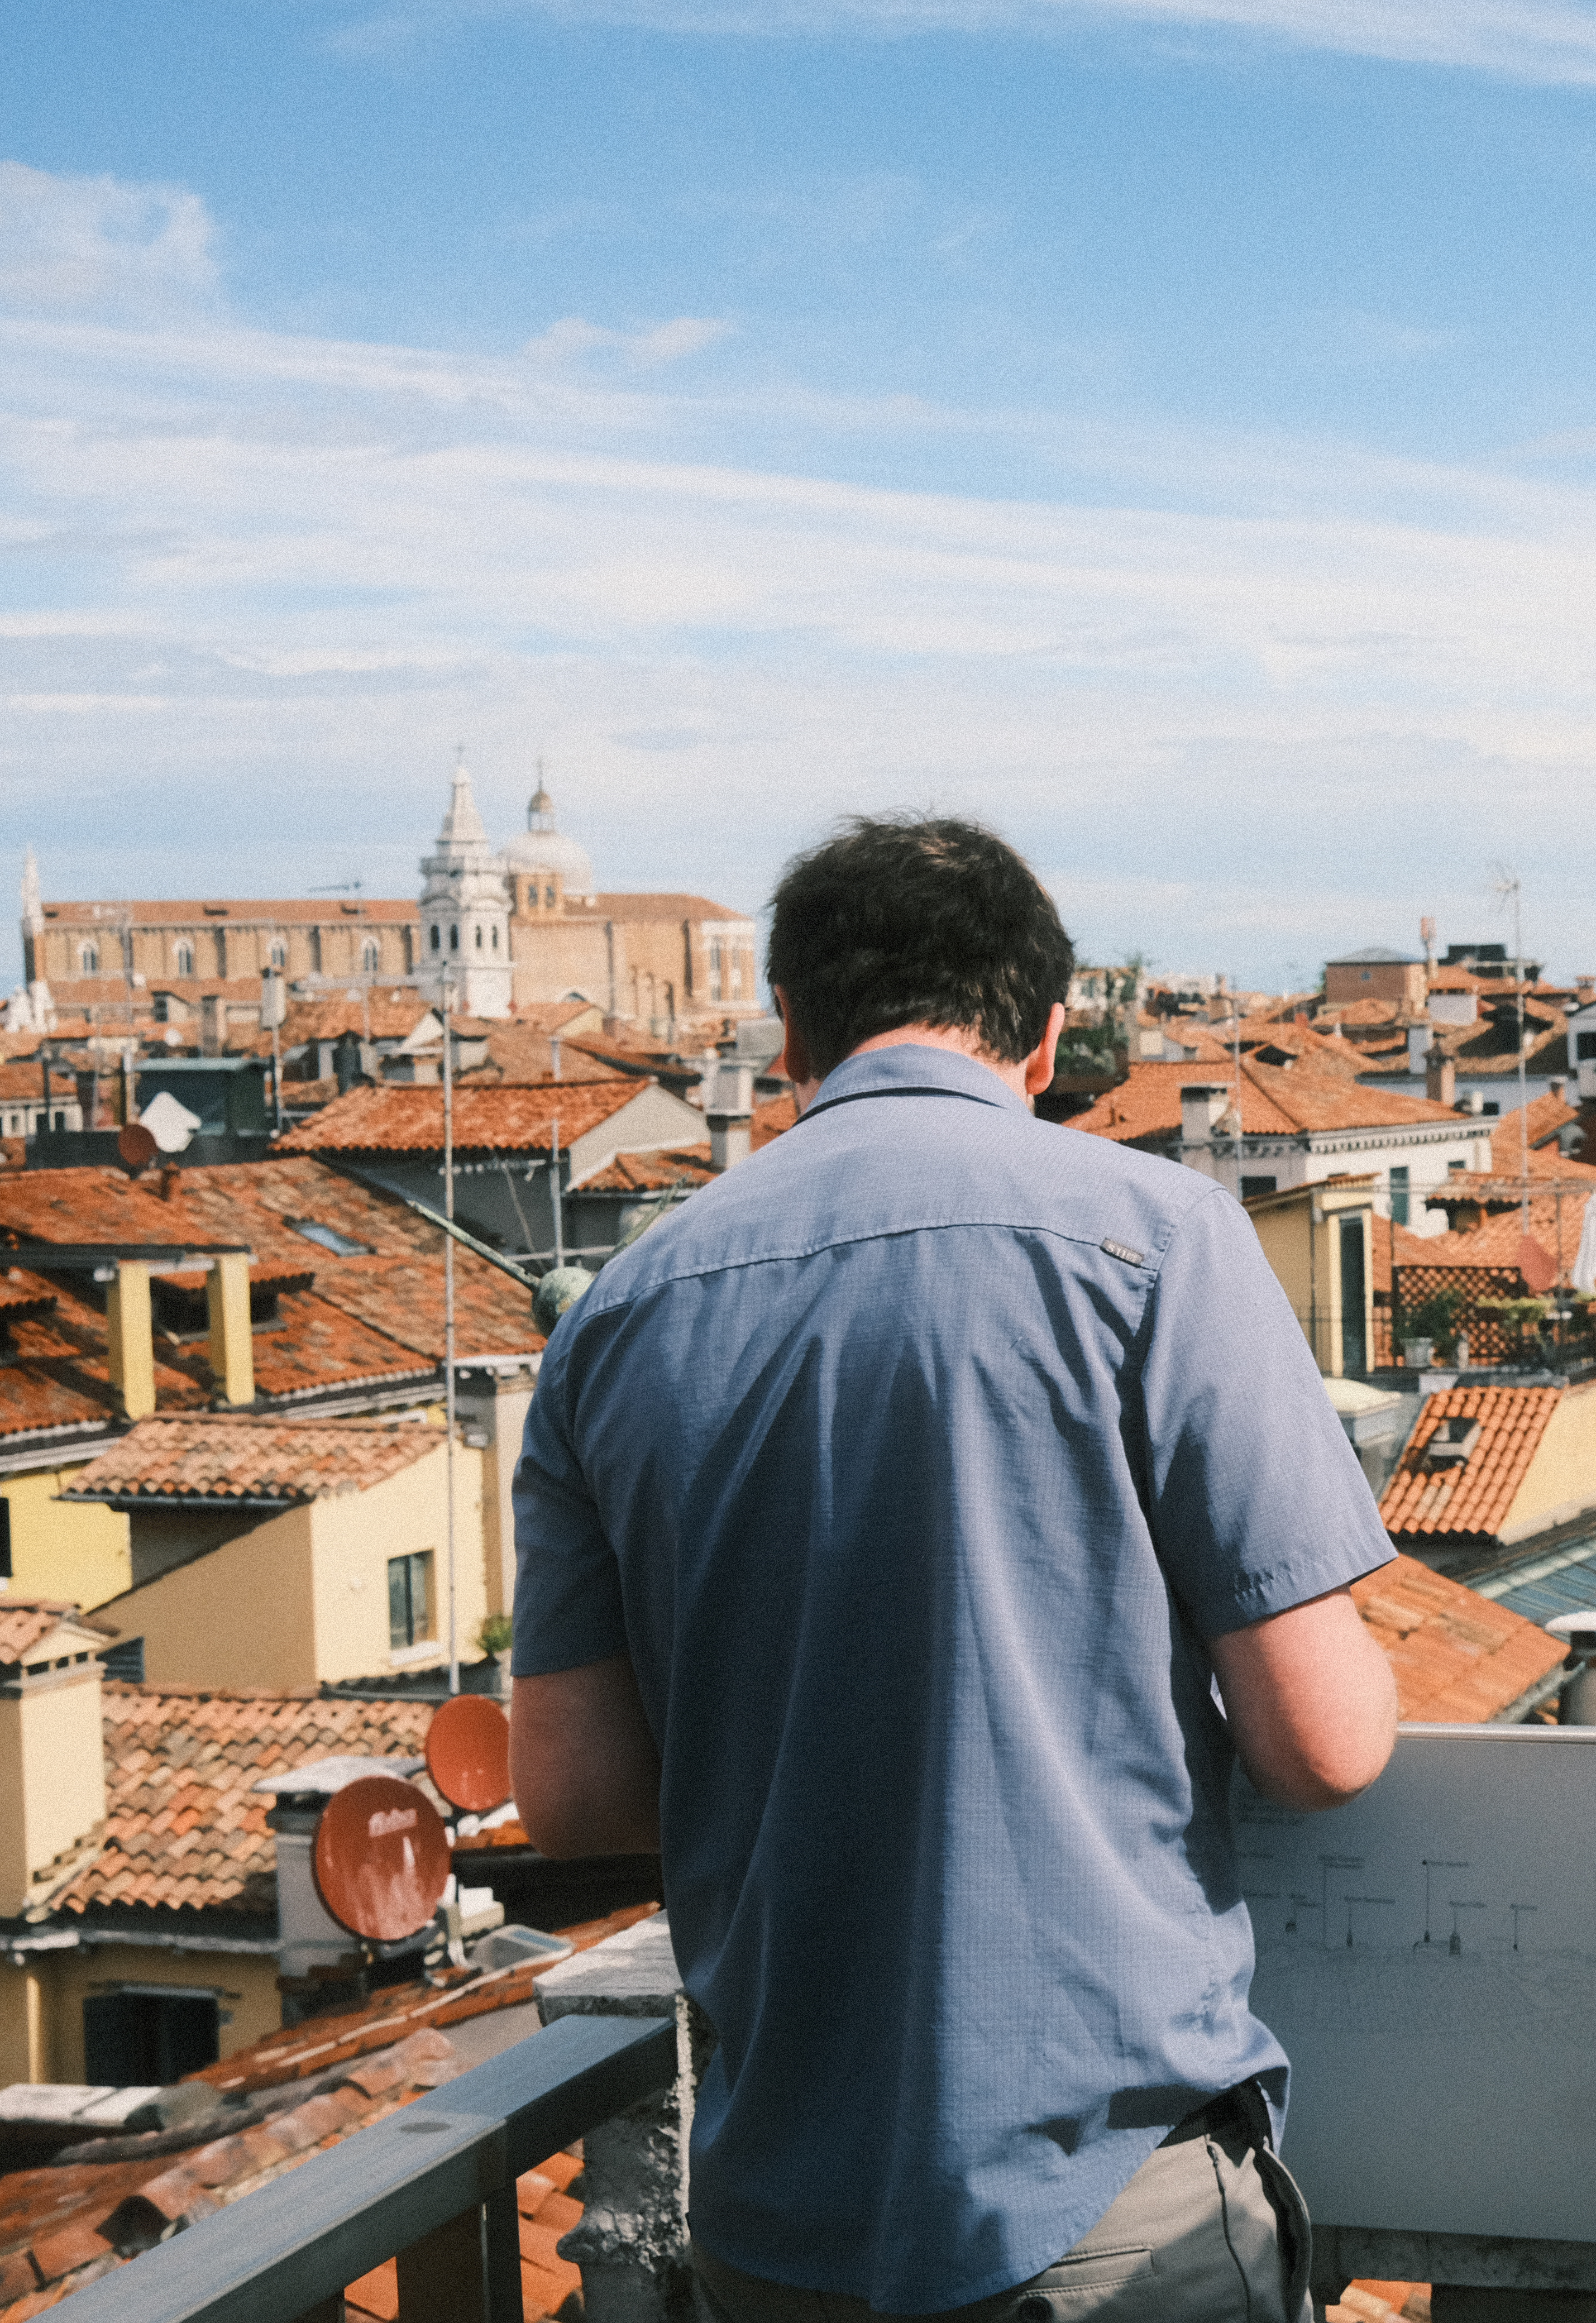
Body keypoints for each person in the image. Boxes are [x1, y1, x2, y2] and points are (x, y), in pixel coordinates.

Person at [510, 815, 1400, 2323]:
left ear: (789, 1028)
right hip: (1108, 2209)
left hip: (780, 2221)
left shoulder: (622, 1311)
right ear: (1048, 1037)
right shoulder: (1160, 1238)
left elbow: (579, 1798)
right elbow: (1322, 1747)